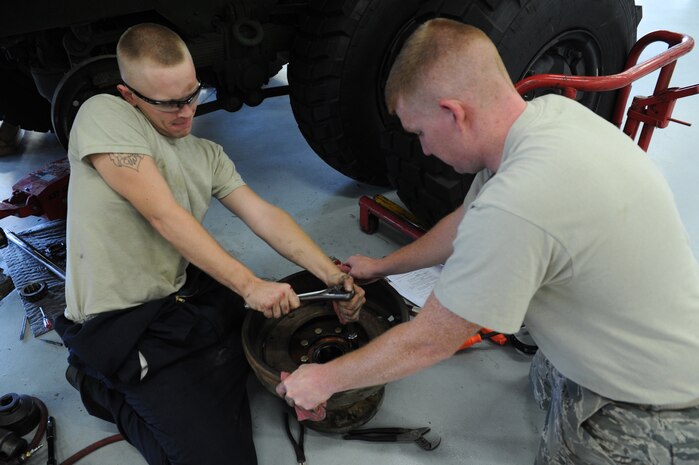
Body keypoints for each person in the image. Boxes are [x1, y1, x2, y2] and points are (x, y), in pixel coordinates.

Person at [276, 18, 699, 465]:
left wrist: (322, 380)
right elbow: (464, 223)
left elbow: (430, 340)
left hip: (656, 405)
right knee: (543, 375)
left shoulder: (519, 201)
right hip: (652, 338)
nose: (422, 150)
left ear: (453, 112)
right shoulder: (549, 117)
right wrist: (383, 267)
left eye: (419, 132)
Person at [55, 23, 364, 465]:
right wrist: (249, 284)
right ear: (130, 96)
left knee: (263, 334)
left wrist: (331, 273)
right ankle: (97, 383)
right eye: (167, 104)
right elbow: (163, 214)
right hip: (120, 322)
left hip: (178, 296)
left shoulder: (206, 154)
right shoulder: (104, 115)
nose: (185, 113)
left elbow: (264, 215)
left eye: (191, 95)